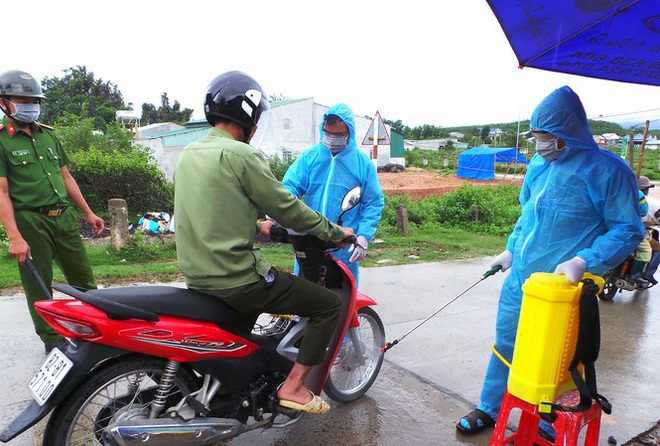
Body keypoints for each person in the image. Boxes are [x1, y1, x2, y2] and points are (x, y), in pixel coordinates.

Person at [456, 86, 644, 439]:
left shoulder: (609, 171)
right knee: (506, 343)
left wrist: (584, 260)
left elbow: (627, 229)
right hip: (522, 279)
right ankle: (490, 407)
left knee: (557, 359)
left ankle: (548, 419)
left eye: (545, 135)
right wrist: (511, 249)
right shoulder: (540, 166)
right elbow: (528, 216)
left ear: (566, 133)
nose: (540, 143)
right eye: (537, 135)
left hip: (563, 288)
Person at [174, 71, 355, 415]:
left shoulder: (190, 154)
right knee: (327, 305)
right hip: (239, 280)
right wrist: (334, 232)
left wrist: (260, 227)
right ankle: (295, 385)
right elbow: (289, 209)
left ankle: (230, 397)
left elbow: (210, 211)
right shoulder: (241, 155)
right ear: (248, 115)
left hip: (198, 278)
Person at [0, 69, 105, 353]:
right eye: (22, 99)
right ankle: (52, 340)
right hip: (30, 222)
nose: (29, 104)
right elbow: (2, 193)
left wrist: (88, 212)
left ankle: (95, 331)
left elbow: (66, 177)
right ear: (4, 102)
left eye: (33, 99)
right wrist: (14, 237)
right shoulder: (1, 140)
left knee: (83, 279)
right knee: (39, 284)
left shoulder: (48, 135)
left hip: (64, 217)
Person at [282, 103, 384, 286]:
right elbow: (289, 186)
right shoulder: (310, 157)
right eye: (327, 133)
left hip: (343, 244)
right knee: (305, 293)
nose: (331, 139)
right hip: (310, 238)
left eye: (337, 135)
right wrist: (286, 212)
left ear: (349, 133)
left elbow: (373, 202)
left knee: (342, 297)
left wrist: (363, 236)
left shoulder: (363, 165)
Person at [640, 175, 660, 285]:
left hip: (612, 230)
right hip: (637, 232)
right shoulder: (650, 203)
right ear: (646, 190)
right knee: (657, 248)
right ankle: (648, 274)